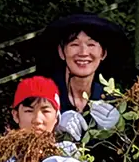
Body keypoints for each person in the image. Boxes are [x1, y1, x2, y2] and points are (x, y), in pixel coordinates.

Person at [39, 13, 124, 142]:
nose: (83, 53)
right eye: (74, 44)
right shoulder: (40, 97)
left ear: (103, 53)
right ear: (61, 52)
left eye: (91, 45)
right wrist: (53, 129)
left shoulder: (112, 100)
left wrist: (118, 128)